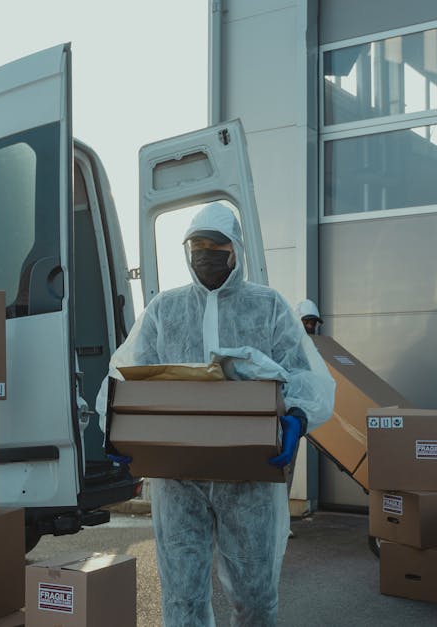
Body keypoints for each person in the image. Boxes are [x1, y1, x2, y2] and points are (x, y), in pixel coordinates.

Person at [101, 202, 335, 627]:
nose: (205, 253)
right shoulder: (164, 310)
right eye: (197, 245)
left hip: (248, 474)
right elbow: (124, 375)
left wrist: (297, 418)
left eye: (216, 244)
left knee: (255, 596)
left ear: (236, 250)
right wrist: (117, 431)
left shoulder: (268, 307)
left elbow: (306, 375)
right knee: (182, 595)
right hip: (178, 478)